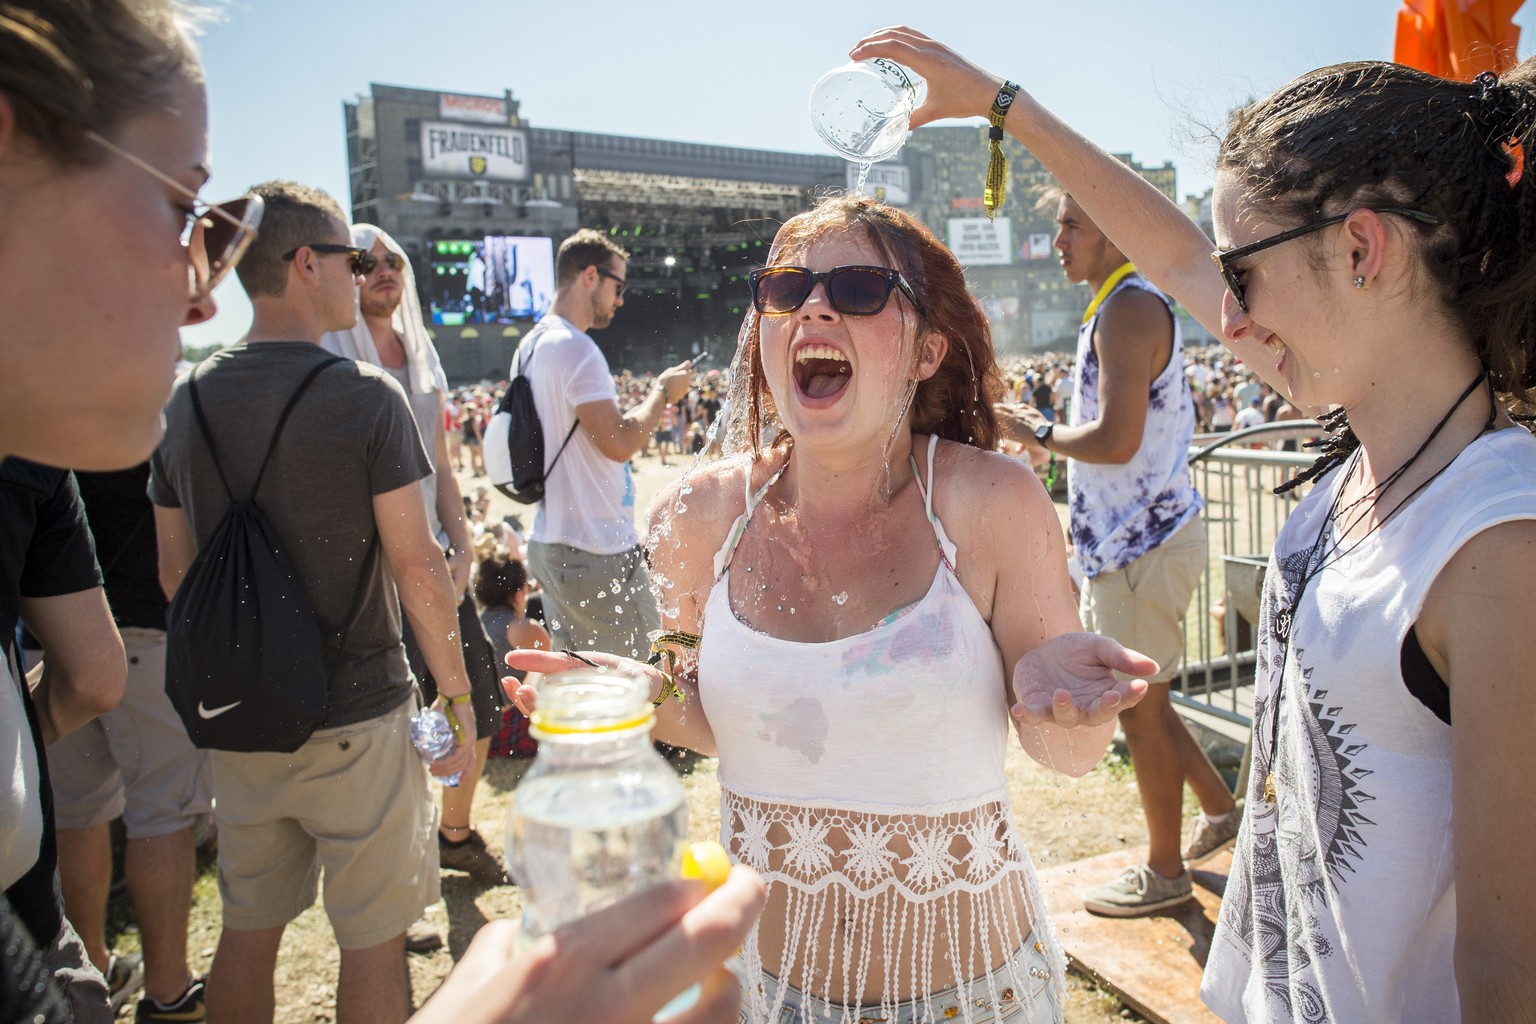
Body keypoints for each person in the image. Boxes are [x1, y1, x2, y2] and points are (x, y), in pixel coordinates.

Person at [0, 5, 763, 1019]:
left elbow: (178, 576)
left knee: (251, 928)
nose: (197, 290)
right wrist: (454, 696)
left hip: (238, 711)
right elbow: (418, 564)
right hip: (356, 698)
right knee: (371, 938)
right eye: (182, 206)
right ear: (310, 264)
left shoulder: (189, 399)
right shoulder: (361, 398)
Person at [856, 25, 1536, 1023]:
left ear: (1361, 249)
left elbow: (1508, 962)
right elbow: (1171, 252)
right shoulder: (1385, 440)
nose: (1230, 312)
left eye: (1244, 271)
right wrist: (1009, 107)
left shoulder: (1497, 548)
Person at [512, 194, 1157, 1024]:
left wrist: (1068, 709)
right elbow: (708, 716)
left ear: (927, 349)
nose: (813, 305)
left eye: (857, 288)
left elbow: (1068, 754)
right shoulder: (698, 518)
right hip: (763, 995)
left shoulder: (991, 501)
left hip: (972, 998)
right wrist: (626, 694)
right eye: (786, 289)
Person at [998, 191, 1238, 918]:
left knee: (1142, 710)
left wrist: (1038, 429)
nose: (1058, 240)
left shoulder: (1130, 307)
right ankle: (1223, 814)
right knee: (1151, 704)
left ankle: (1164, 874)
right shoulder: (1116, 305)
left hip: (1146, 543)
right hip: (1134, 545)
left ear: (1112, 229)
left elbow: (1117, 441)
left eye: (1071, 223)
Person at [322, 225, 511, 892]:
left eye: (392, 260)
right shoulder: (327, 357)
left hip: (434, 566)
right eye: (363, 262)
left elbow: (442, 470)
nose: (382, 271)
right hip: (365, 580)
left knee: (480, 707)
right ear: (343, 274)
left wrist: (460, 541)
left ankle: (453, 833)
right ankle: (393, 873)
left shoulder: (419, 356)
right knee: (389, 728)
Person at [50, 463, 212, 1022]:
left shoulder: (28, 414)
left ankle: (90, 976)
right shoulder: (124, 410)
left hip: (47, 642)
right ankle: (168, 989)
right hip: (141, 634)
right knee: (162, 813)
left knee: (79, 813)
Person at [521, 229, 694, 661]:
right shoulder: (576, 348)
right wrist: (661, 392)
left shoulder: (532, 343)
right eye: (618, 287)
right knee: (644, 679)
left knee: (582, 678)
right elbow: (619, 443)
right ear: (591, 277)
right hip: (594, 549)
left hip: (553, 540)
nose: (620, 300)